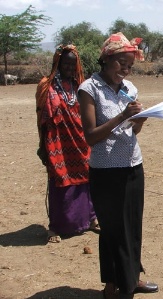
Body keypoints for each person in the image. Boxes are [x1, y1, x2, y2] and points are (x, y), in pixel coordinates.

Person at [78, 32, 157, 299]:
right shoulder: (89, 89)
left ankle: (132, 278)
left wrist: (140, 121)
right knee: (112, 228)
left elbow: (131, 132)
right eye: (121, 63)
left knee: (133, 225)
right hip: (106, 170)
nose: (126, 69)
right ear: (107, 59)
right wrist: (123, 115)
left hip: (133, 164)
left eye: (130, 66)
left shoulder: (129, 88)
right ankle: (115, 285)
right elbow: (91, 136)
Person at [35, 44, 99, 244]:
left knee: (86, 178)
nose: (70, 68)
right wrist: (42, 145)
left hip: (80, 140)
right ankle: (55, 227)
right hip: (57, 142)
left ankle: (90, 218)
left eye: (73, 64)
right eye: (66, 64)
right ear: (58, 63)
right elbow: (41, 117)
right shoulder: (46, 86)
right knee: (59, 180)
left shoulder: (82, 85)